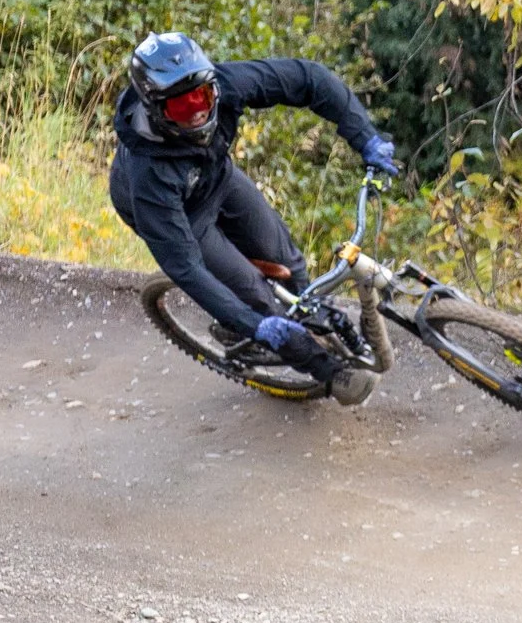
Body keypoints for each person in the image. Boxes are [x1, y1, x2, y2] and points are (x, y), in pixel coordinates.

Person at [110, 32, 398, 404]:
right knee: (260, 301)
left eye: (203, 97)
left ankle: (306, 321)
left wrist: (367, 138)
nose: (198, 111)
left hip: (218, 178)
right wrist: (258, 326)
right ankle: (328, 373)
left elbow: (308, 79)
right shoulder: (147, 175)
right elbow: (186, 268)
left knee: (290, 264)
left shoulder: (224, 84)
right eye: (183, 107)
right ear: (155, 108)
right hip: (182, 217)